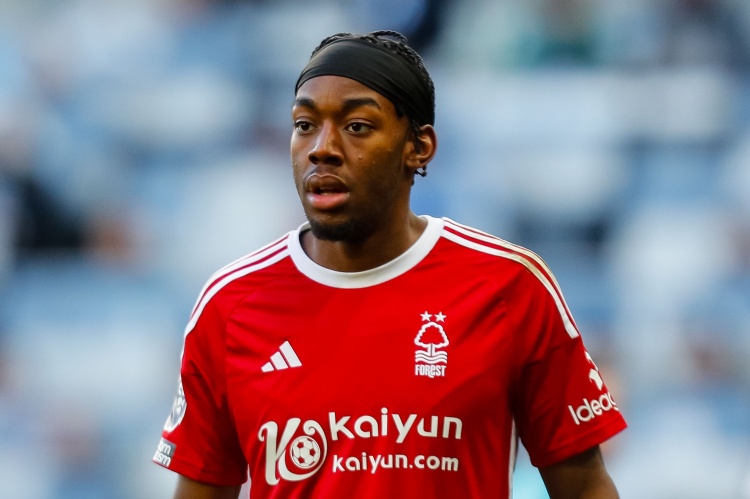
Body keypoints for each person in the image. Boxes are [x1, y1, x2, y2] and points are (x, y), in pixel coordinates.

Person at [152, 30, 627, 498]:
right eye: (305, 124)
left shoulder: (509, 286)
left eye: (357, 126)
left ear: (418, 147)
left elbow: (584, 488)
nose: (322, 147)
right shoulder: (230, 305)